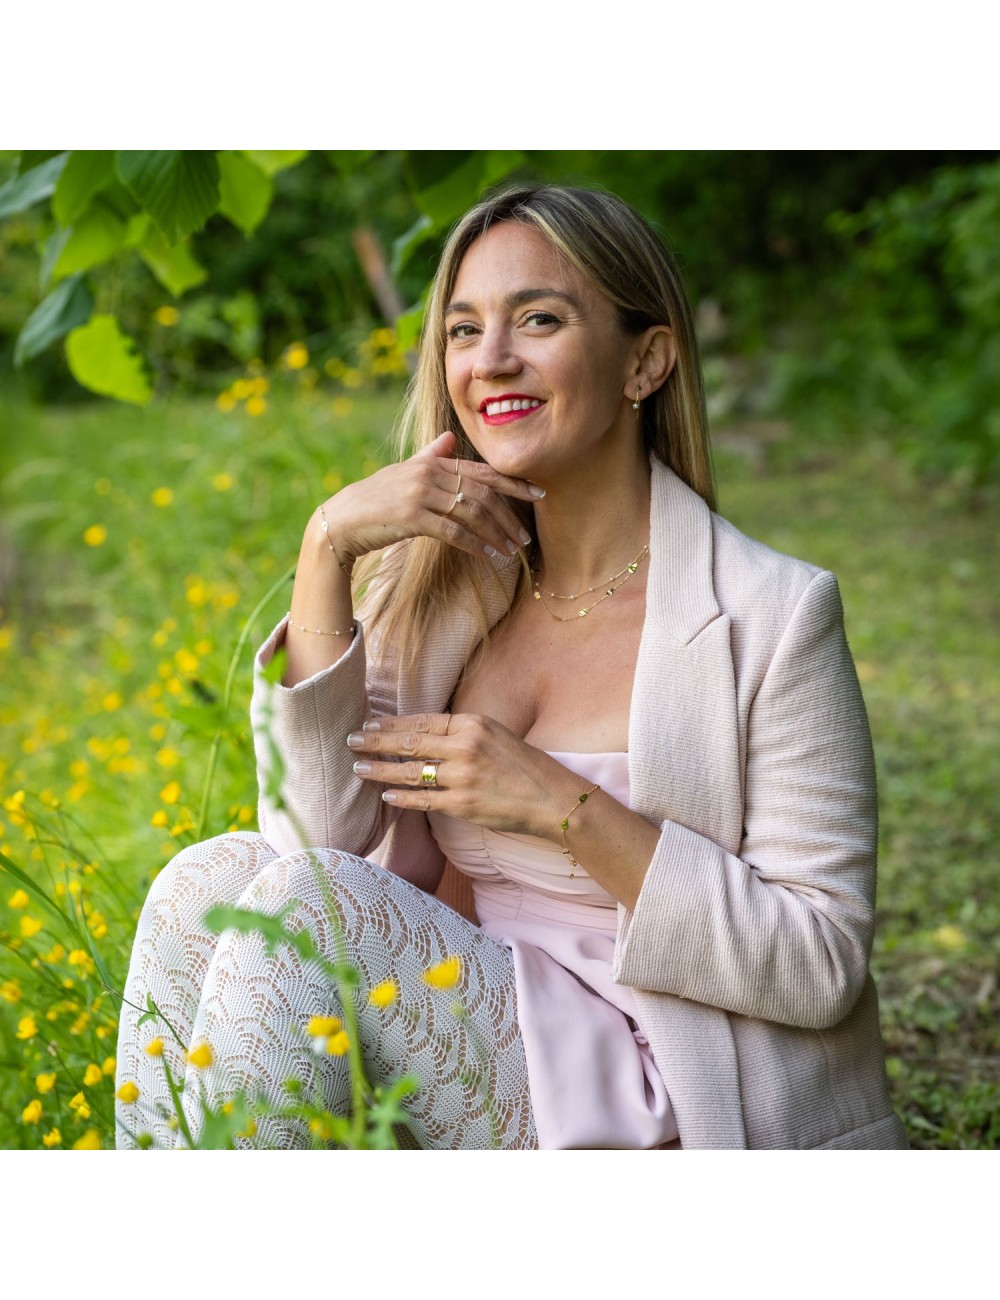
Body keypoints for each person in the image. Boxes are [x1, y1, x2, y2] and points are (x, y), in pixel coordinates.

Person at [116, 184, 908, 1150]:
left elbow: (820, 964)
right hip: (478, 1020)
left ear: (645, 361)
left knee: (305, 914)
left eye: (539, 318)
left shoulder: (771, 615)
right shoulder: (445, 593)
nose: (489, 360)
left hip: (667, 1081)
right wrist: (326, 549)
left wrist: (561, 807)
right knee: (212, 878)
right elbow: (312, 843)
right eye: (462, 329)